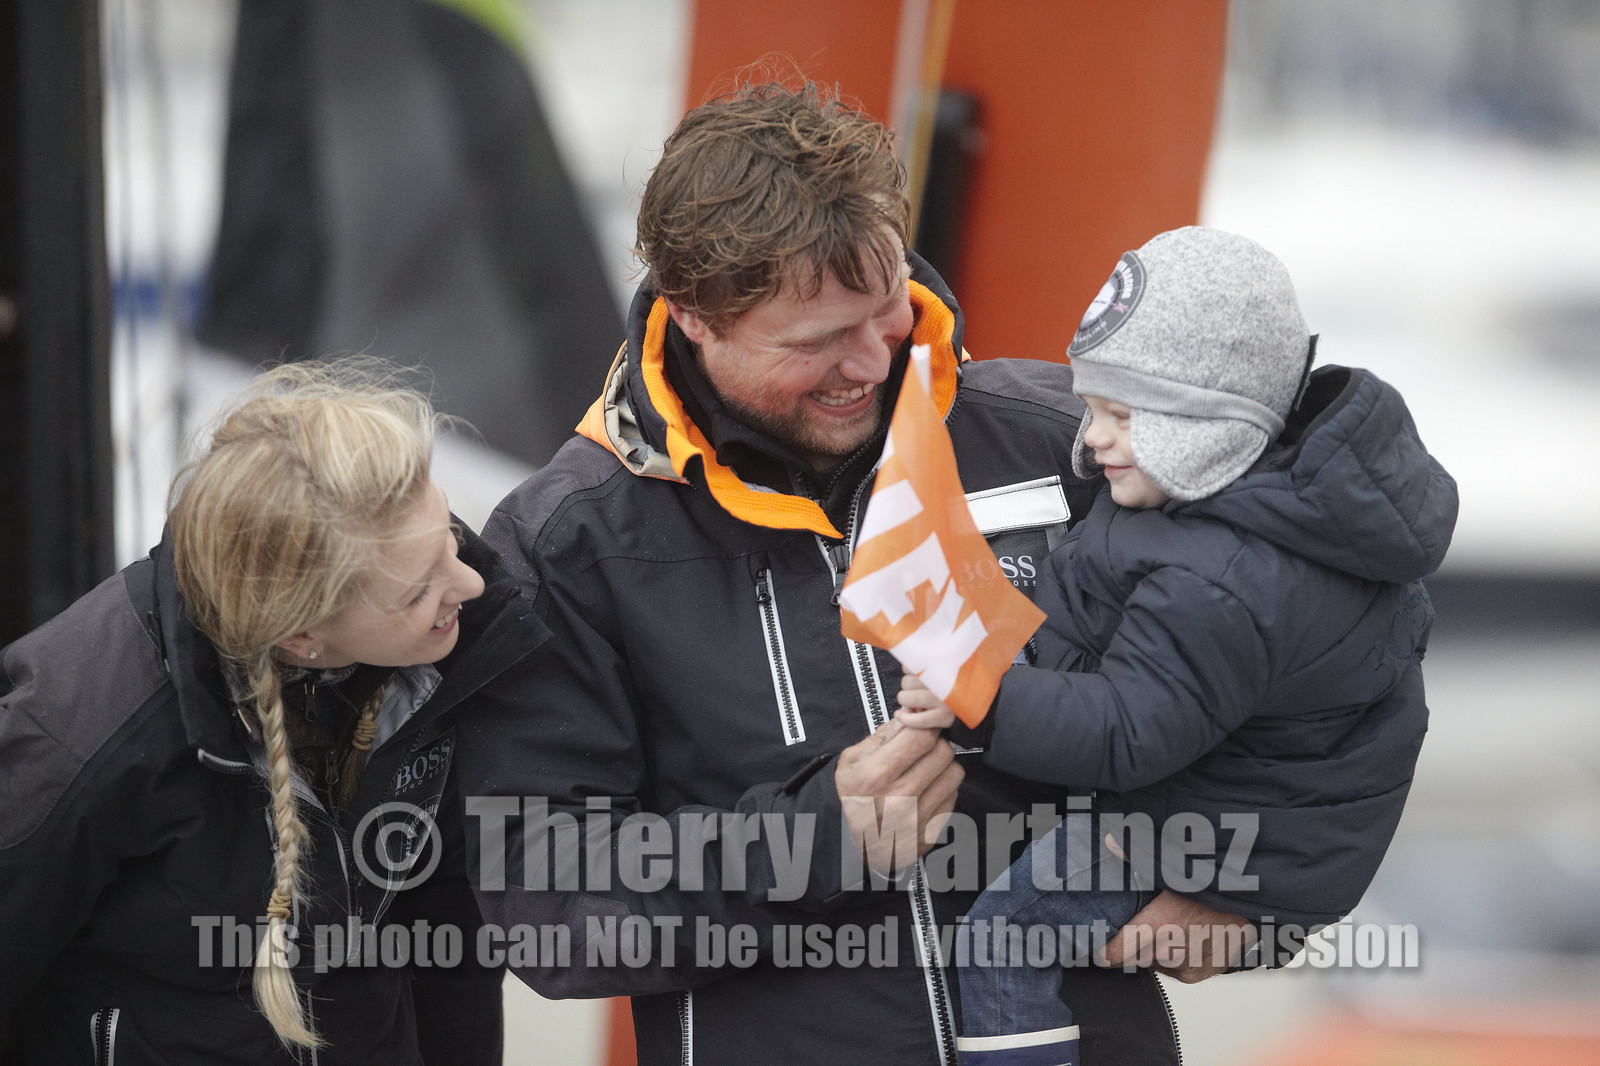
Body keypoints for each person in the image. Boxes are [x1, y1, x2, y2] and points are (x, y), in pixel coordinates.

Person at [461, 82, 1260, 1066]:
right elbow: (546, 905)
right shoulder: (565, 543)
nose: (871, 364)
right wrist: (816, 840)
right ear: (697, 318)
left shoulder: (1067, 441)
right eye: (816, 342)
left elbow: (1306, 648)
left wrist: (1256, 888)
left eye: (884, 312)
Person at [895, 227, 1458, 1063]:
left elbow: (1130, 729)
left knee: (1003, 941)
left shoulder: (1221, 578)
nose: (1091, 440)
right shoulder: (1222, 507)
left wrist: (984, 691)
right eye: (1092, 408)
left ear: (1217, 425)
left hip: (1215, 834)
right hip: (1235, 810)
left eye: (1122, 416)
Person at [0, 361, 536, 1064]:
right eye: (416, 592)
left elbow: (446, 941)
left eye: (450, 542)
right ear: (301, 637)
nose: (469, 584)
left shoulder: (441, 664)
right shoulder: (78, 733)